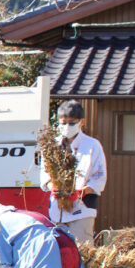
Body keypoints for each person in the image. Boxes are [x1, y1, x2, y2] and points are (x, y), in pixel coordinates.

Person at [39, 100, 107, 244]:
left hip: (82, 208)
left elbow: (100, 176)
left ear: (81, 122)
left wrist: (81, 192)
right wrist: (53, 188)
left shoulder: (92, 145)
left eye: (72, 123)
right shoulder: (52, 145)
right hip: (57, 210)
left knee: (83, 250)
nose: (67, 127)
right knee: (60, 250)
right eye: (63, 123)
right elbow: (45, 174)